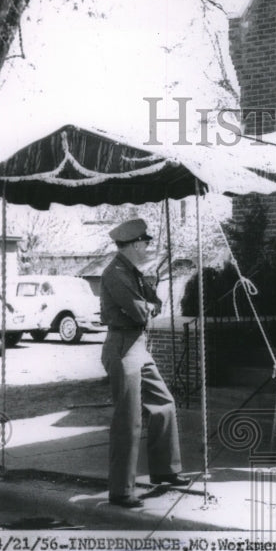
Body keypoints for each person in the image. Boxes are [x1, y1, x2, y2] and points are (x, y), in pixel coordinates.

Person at [100, 218, 186, 508]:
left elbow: (153, 302)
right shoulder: (116, 273)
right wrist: (150, 306)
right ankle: (121, 490)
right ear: (135, 244)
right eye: (146, 243)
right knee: (128, 419)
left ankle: (165, 470)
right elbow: (141, 313)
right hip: (123, 347)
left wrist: (150, 304)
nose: (148, 246)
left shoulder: (131, 271)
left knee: (164, 403)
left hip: (137, 346)